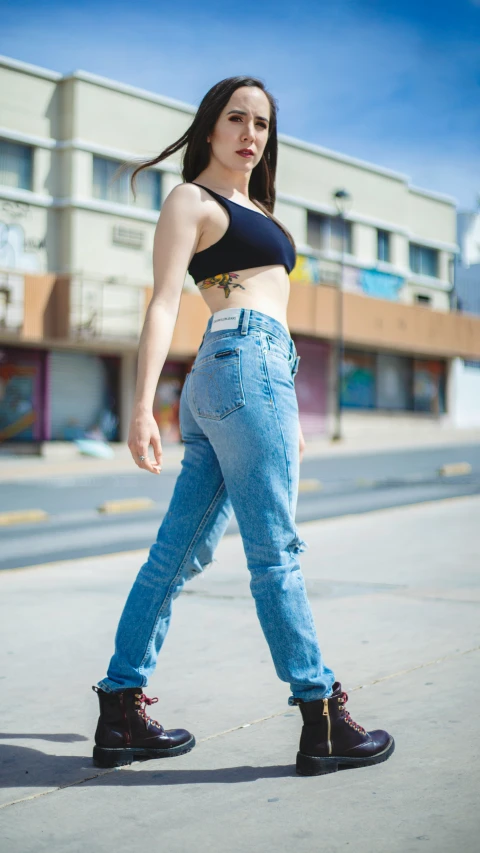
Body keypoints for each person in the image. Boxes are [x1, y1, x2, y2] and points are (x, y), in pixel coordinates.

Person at [92, 76, 395, 777]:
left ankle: (120, 709)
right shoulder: (191, 199)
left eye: (261, 123)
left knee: (178, 555)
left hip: (247, 374)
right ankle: (321, 716)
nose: (250, 134)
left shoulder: (251, 204)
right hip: (239, 364)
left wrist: (280, 403)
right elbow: (165, 301)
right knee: (274, 553)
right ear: (208, 128)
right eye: (236, 118)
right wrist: (142, 406)